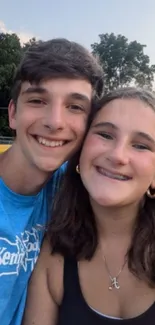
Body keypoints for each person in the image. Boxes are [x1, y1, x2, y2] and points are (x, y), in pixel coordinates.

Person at [23, 87, 155, 325]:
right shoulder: (54, 254)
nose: (118, 156)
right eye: (105, 135)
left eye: (141, 145)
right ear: (81, 151)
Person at [0, 38, 104, 325]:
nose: (55, 121)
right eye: (37, 100)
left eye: (74, 106)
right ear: (13, 113)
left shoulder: (77, 189)